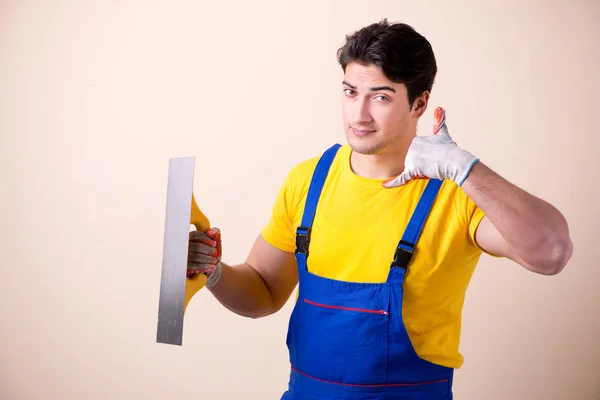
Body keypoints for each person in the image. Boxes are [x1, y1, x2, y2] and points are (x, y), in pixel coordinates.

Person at [186, 19, 573, 400]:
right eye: (351, 92)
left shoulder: (455, 196)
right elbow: (265, 291)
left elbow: (551, 252)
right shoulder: (308, 182)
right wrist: (215, 272)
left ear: (419, 102)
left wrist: (464, 168)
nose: (360, 115)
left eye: (381, 97)